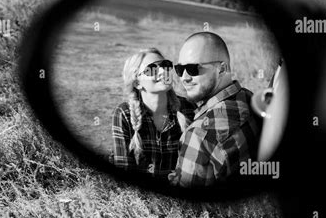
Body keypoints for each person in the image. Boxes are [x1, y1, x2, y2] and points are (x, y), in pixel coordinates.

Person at [168, 32, 262, 188]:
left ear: (222, 69)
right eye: (179, 69)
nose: (184, 77)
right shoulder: (248, 97)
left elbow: (184, 206)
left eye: (193, 68)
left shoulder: (198, 136)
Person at [110, 48, 195, 181]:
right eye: (152, 69)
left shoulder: (188, 109)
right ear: (137, 83)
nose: (163, 72)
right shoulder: (125, 114)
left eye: (165, 65)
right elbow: (124, 170)